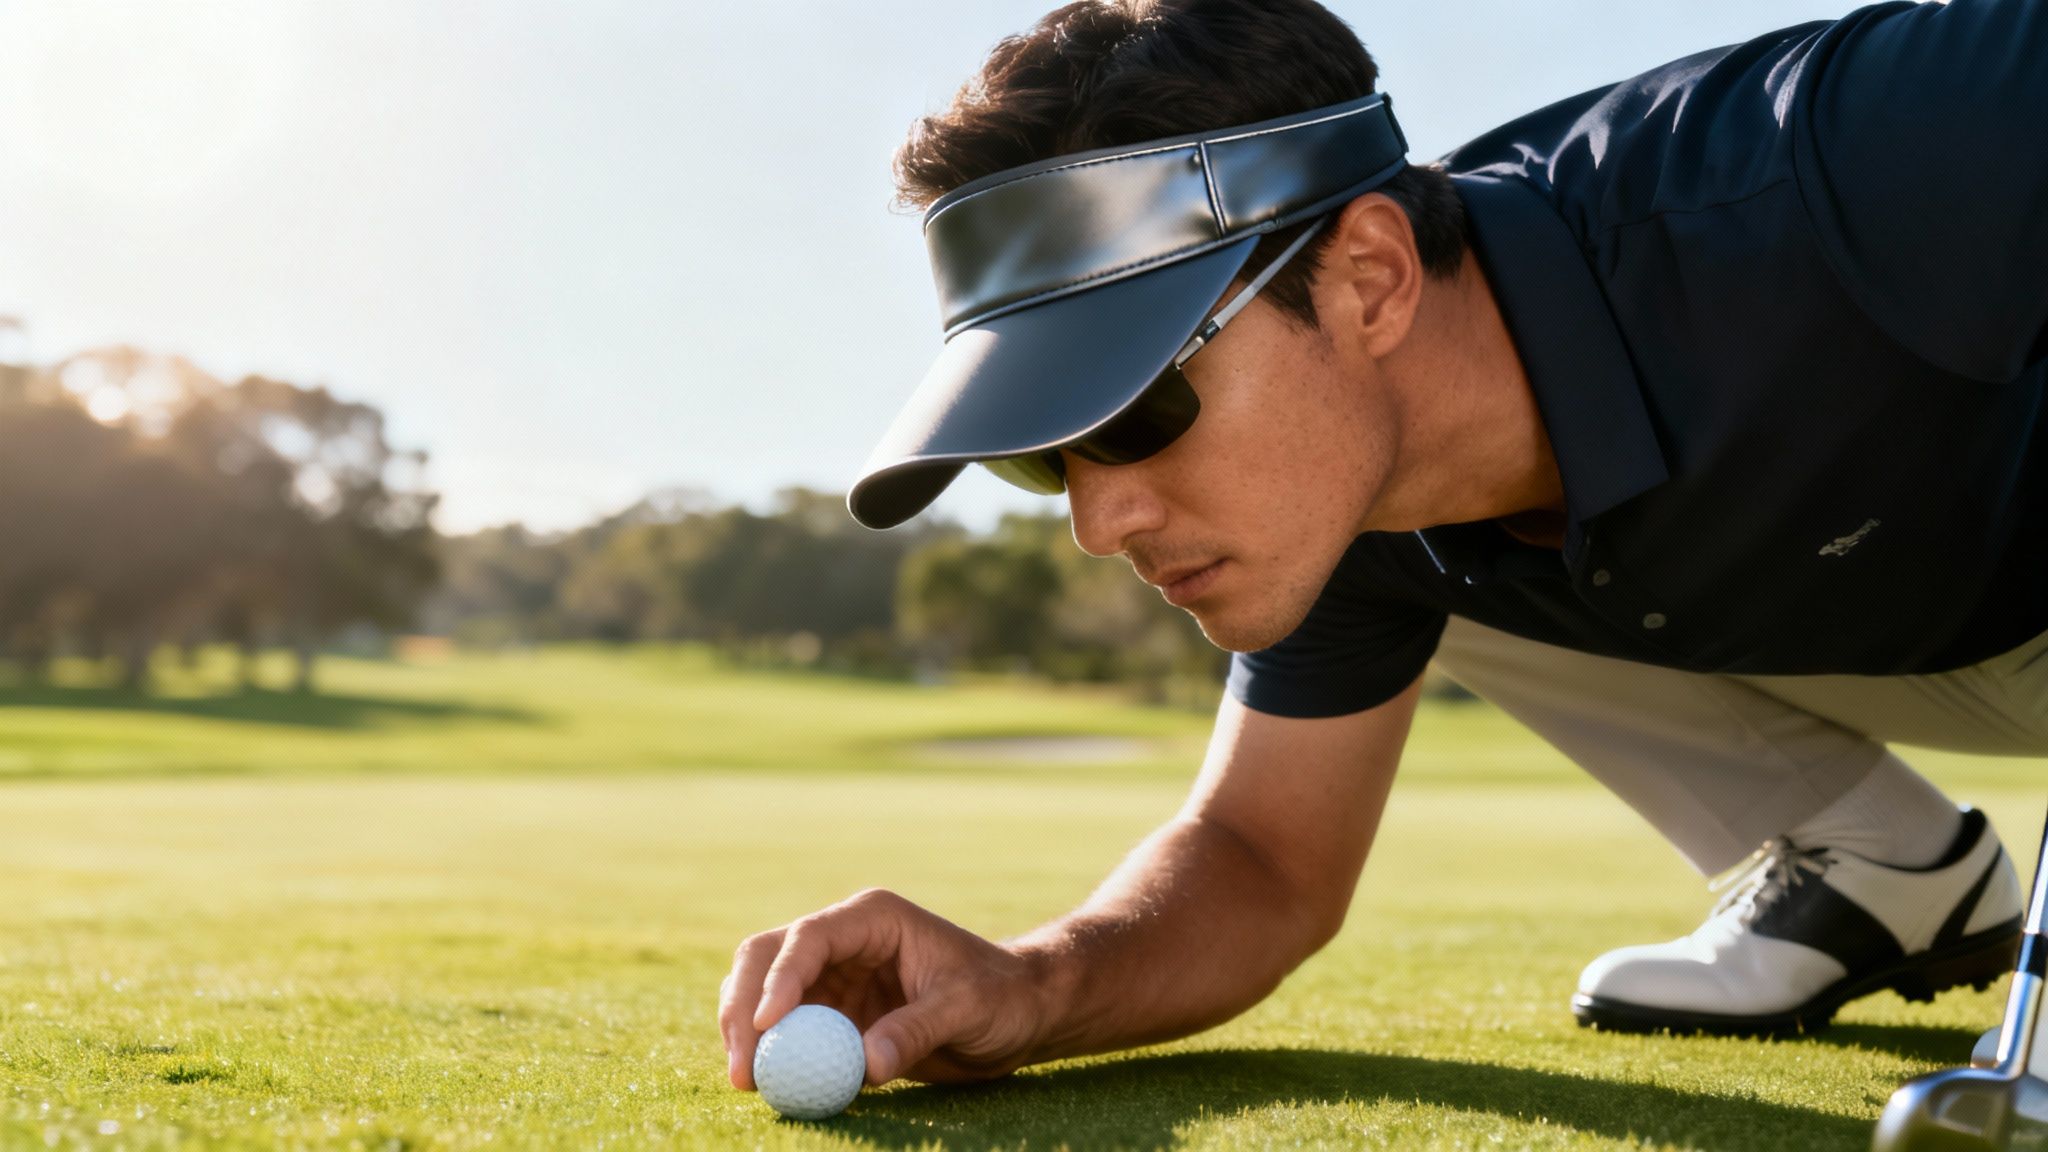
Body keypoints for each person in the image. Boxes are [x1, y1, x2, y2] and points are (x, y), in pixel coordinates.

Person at [720, 0, 2048, 1090]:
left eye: (1135, 410)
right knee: (1390, 523)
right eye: (1039, 455)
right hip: (1923, 633)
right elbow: (1263, 860)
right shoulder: (1339, 505)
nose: (1096, 519)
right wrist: (1037, 981)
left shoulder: (1861, 152)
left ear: (1369, 276)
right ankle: (1873, 869)